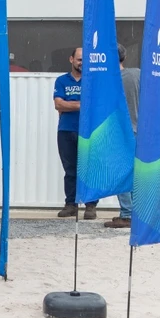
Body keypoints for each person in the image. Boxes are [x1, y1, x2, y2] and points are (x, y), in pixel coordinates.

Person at [54, 47, 97, 219]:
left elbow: (96, 106)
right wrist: (82, 105)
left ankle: (91, 206)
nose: (82, 63)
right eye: (79, 59)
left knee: (89, 169)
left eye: (85, 60)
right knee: (70, 169)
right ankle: (70, 204)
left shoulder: (93, 81)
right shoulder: (61, 81)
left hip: (89, 132)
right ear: (71, 59)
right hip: (66, 130)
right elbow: (58, 105)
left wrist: (69, 104)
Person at [106, 44, 141, 229]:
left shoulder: (105, 80)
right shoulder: (137, 74)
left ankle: (127, 214)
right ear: (124, 57)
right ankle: (138, 214)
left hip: (117, 132)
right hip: (138, 130)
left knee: (122, 174)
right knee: (136, 173)